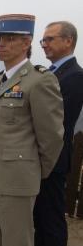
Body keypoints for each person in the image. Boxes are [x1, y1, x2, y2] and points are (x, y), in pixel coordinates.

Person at [0, 14, 64, 246]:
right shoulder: (0, 79)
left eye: (9, 39)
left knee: (16, 239)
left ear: (27, 43)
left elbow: (51, 137)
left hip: (17, 178)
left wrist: (34, 170)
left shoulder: (39, 80)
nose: (2, 44)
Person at [34, 21, 83, 246]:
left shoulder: (74, 76)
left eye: (50, 39)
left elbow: (58, 122)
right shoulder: (48, 73)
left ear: (68, 41)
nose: (44, 44)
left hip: (53, 157)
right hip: (39, 156)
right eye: (43, 40)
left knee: (51, 218)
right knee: (39, 216)